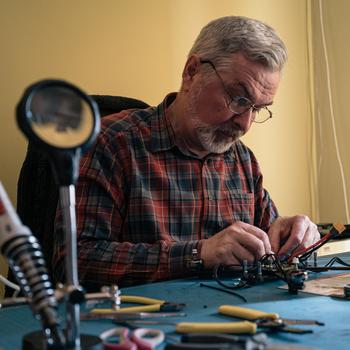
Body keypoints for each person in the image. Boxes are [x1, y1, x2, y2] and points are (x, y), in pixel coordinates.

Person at [53, 16, 320, 288]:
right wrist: (197, 254)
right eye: (238, 99)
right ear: (192, 71)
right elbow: (73, 261)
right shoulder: (113, 144)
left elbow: (268, 241)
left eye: (258, 108)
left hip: (235, 320)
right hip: (140, 324)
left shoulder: (242, 159)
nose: (245, 123)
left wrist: (290, 234)